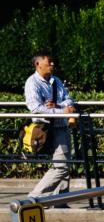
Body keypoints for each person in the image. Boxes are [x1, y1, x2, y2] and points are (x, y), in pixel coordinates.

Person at [24, 52, 76, 200]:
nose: (52, 64)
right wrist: (61, 110)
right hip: (44, 128)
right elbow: (36, 107)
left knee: (64, 165)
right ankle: (33, 198)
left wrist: (59, 105)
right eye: (49, 62)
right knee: (61, 167)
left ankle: (61, 201)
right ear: (38, 64)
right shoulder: (32, 83)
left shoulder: (56, 81)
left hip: (61, 126)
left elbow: (69, 100)